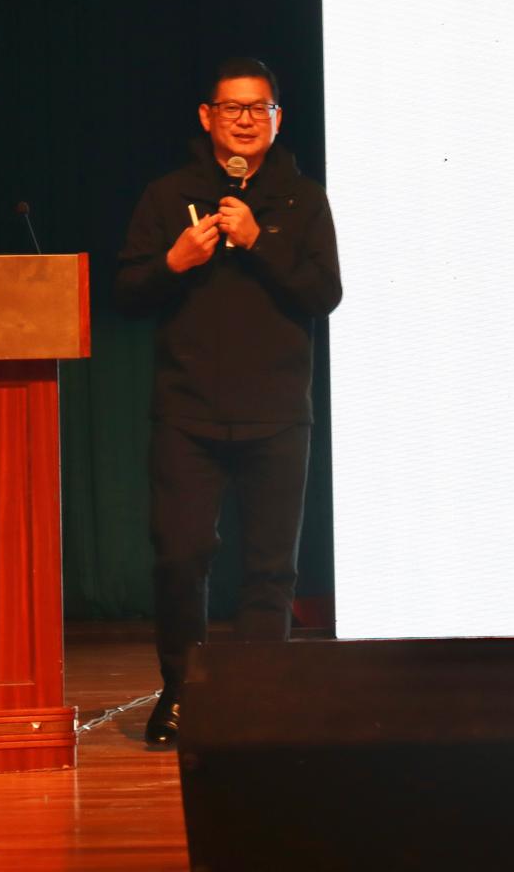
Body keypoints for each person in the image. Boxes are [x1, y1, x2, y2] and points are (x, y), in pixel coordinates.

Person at [115, 57, 342, 746]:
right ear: (207, 116)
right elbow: (127, 293)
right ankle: (182, 692)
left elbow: (324, 294)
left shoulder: (302, 200)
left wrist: (257, 241)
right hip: (188, 412)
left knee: (271, 568)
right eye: (232, 108)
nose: (245, 120)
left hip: (278, 411)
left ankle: (257, 699)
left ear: (278, 119)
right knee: (181, 557)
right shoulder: (168, 196)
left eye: (258, 108)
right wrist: (173, 262)